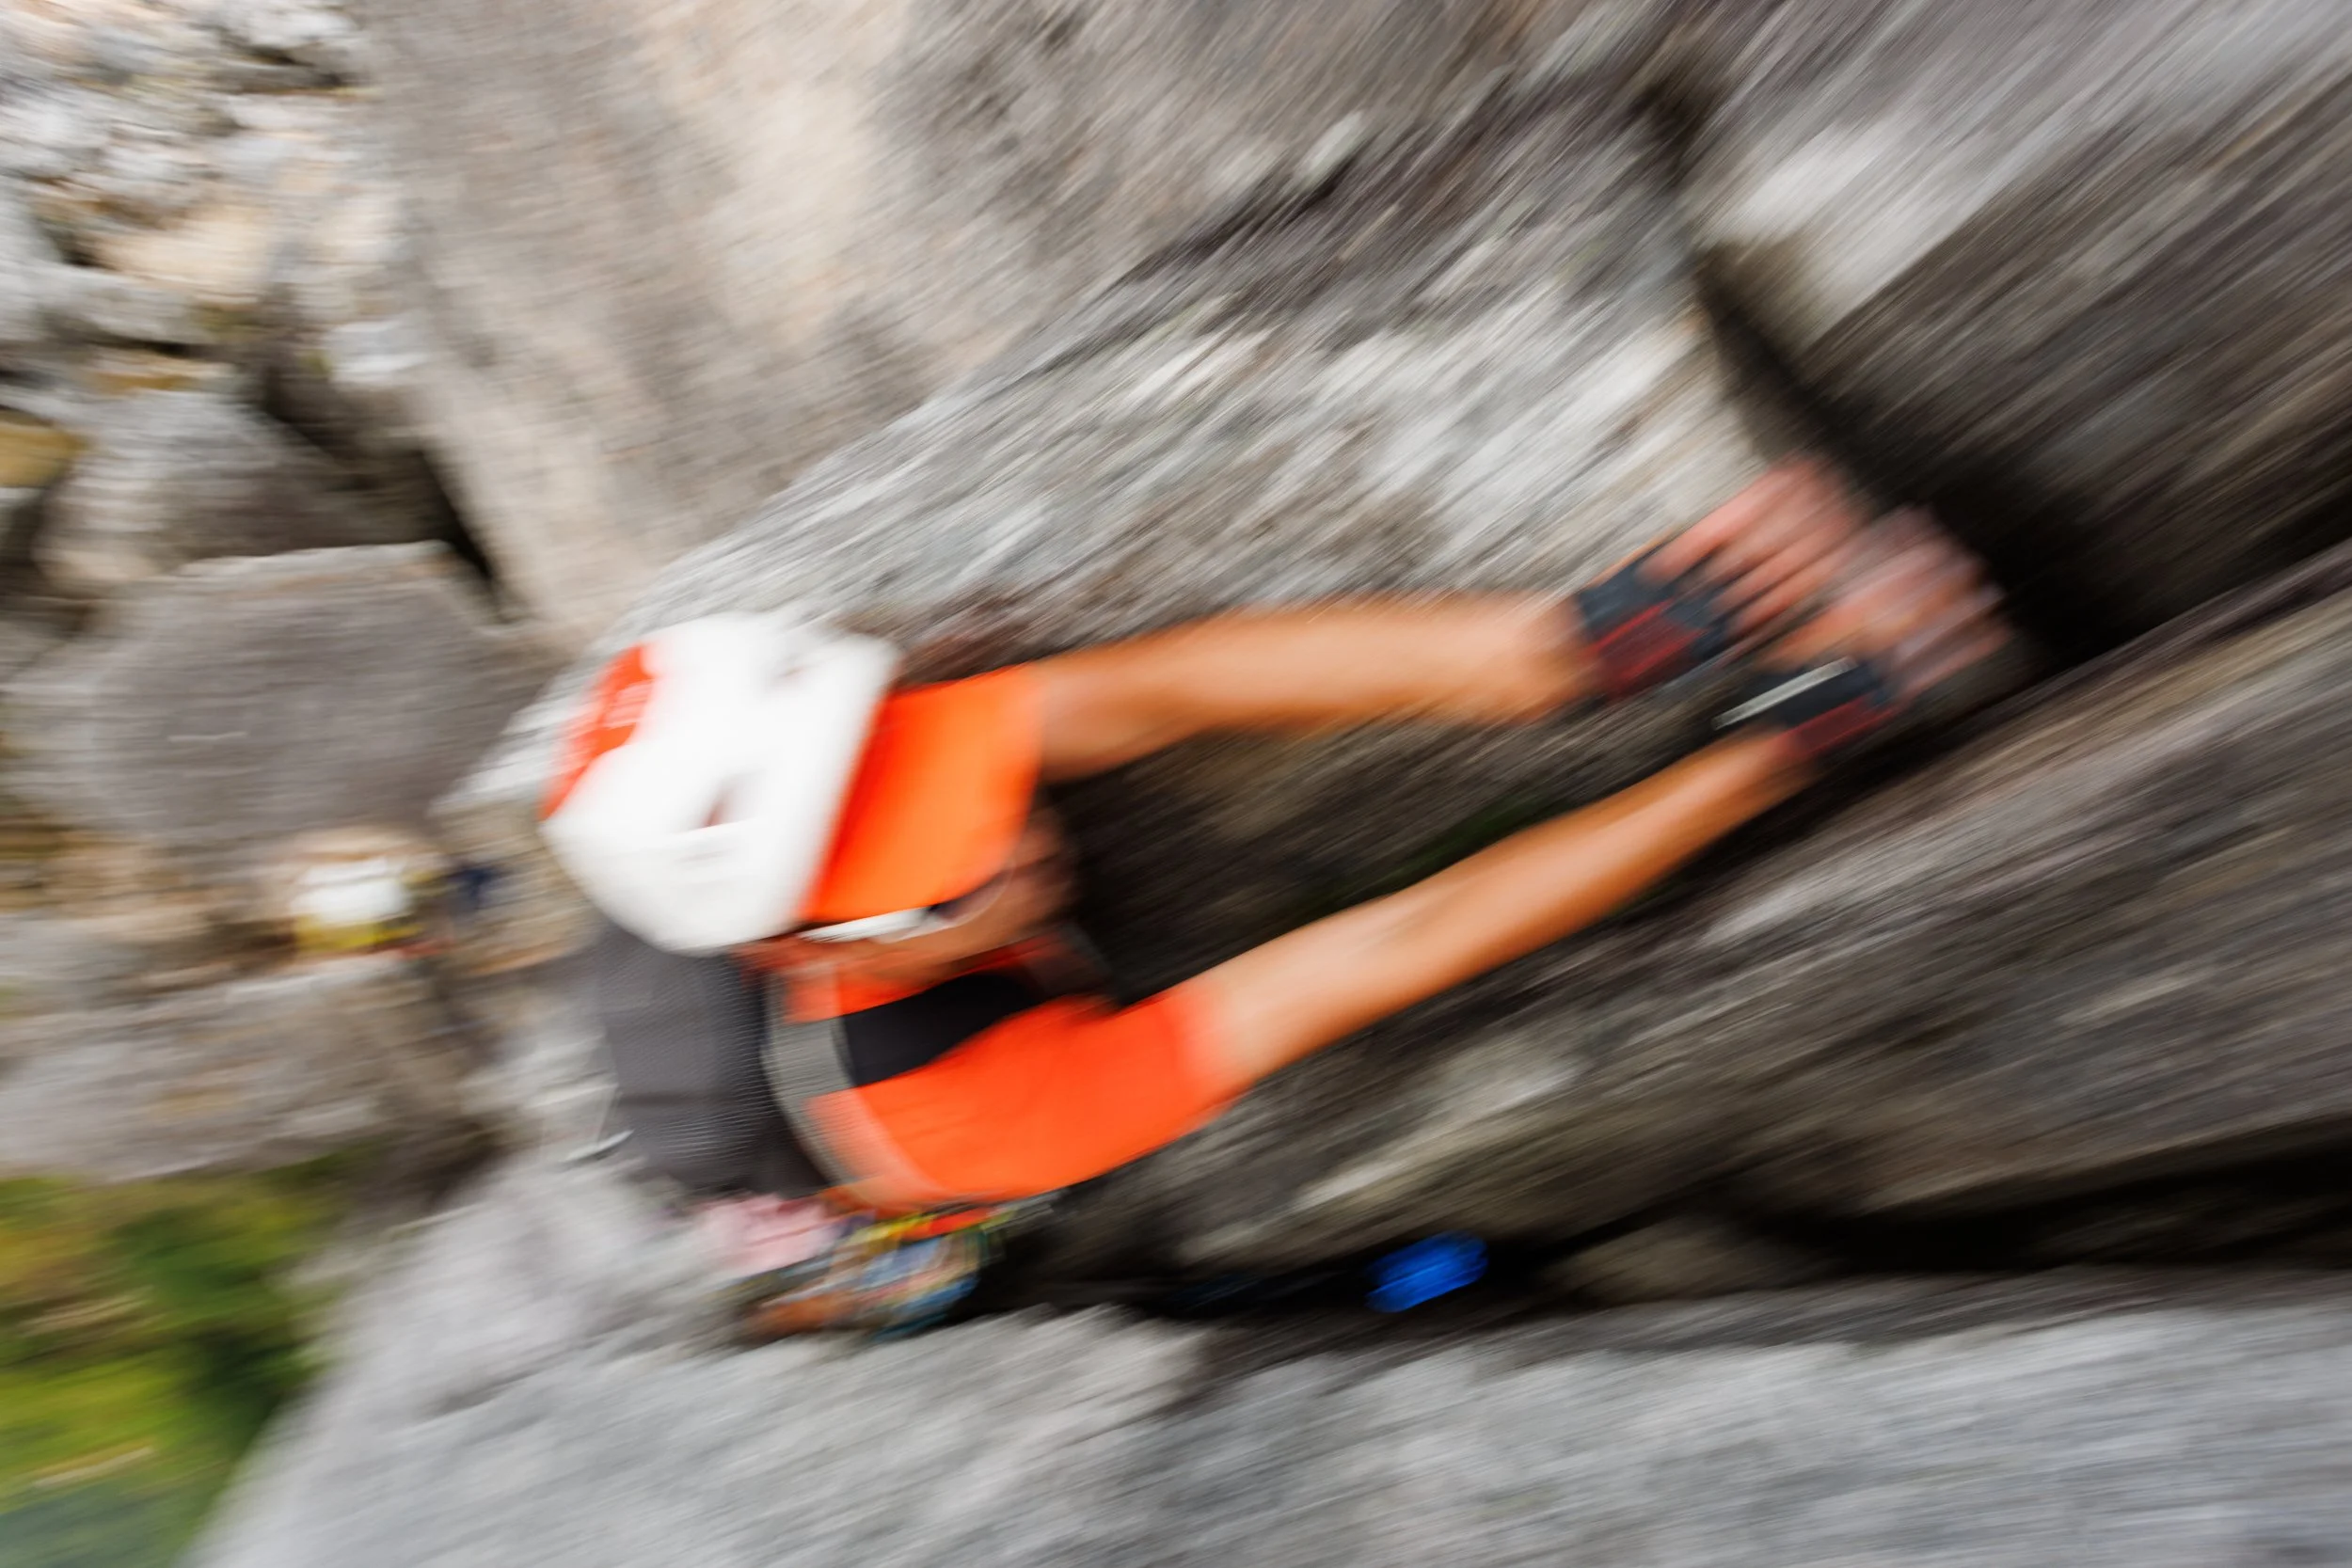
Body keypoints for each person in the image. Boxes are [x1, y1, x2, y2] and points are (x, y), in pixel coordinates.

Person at [539, 459, 2012, 1328]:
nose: (1001, 840)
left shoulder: (855, 752)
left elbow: (1199, 682)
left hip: (819, 985)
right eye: (937, 872)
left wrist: (1588, 640)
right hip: (914, 1157)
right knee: (1020, 1253)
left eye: (940, 792)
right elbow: (1391, 947)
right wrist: (1778, 744)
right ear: (816, 943)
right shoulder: (957, 1112)